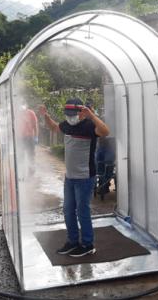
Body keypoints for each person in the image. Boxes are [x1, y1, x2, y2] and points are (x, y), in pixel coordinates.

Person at [40, 99, 110, 257]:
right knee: (68, 210)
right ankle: (72, 242)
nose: (70, 117)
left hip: (85, 177)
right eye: (68, 114)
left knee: (82, 211)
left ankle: (87, 244)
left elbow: (105, 131)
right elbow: (54, 127)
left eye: (73, 114)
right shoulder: (67, 125)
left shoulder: (89, 126)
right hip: (70, 177)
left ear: (81, 112)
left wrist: (92, 116)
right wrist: (46, 116)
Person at [20, 105, 38, 175]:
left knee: (31, 154)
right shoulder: (17, 113)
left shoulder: (31, 113)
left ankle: (31, 171)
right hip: (20, 137)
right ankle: (21, 170)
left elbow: (35, 125)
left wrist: (36, 136)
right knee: (21, 154)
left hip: (30, 136)